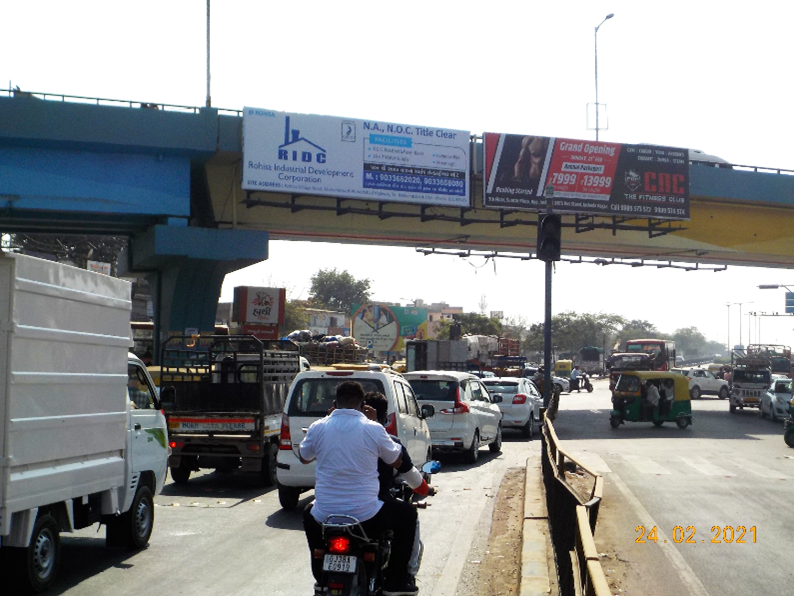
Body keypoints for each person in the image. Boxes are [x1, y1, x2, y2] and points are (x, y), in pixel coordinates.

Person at [300, 381, 418, 596]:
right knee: (408, 514)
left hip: (325, 515)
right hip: (367, 517)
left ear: (335, 403)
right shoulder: (373, 428)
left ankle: (320, 576)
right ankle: (396, 582)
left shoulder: (318, 426)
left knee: (308, 514)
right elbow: (396, 460)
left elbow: (304, 457)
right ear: (363, 404)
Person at [363, 392, 432, 585]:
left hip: (330, 510)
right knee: (409, 515)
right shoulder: (387, 439)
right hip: (371, 507)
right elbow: (410, 474)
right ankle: (401, 577)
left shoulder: (330, 433)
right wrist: (424, 489)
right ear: (384, 416)